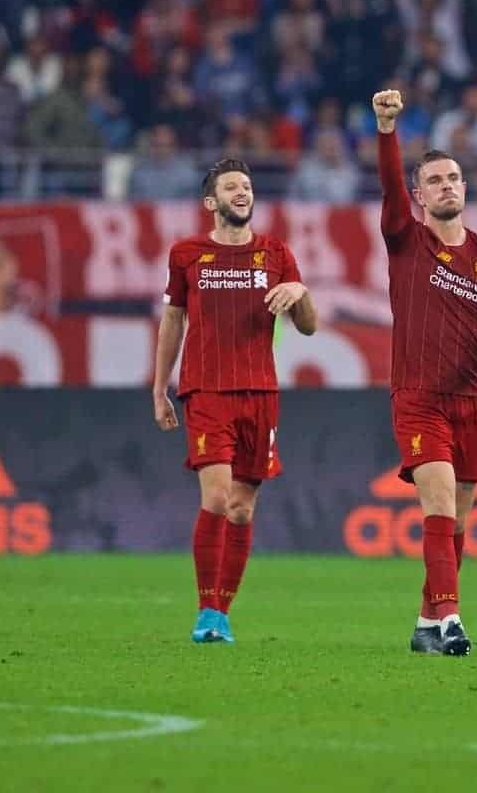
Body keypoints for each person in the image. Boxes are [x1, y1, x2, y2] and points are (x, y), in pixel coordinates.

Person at [372, 89, 477, 657]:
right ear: (419, 195)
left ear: (465, 188)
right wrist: (387, 130)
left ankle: (424, 622)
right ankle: (451, 624)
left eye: (454, 178)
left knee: (458, 516)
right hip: (418, 396)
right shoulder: (406, 238)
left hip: (473, 398)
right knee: (439, 504)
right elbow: (390, 188)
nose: (447, 186)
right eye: (435, 180)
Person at [152, 159, 318, 644]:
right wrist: (159, 386)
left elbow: (308, 327)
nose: (242, 192)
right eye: (231, 187)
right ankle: (205, 610)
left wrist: (300, 291)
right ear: (212, 202)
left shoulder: (276, 253)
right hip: (205, 390)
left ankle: (221, 614)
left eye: (246, 186)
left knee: (243, 509)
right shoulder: (187, 254)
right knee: (219, 497)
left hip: (260, 393)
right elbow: (174, 322)